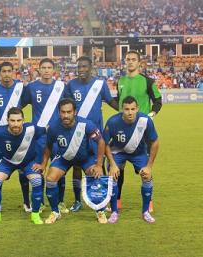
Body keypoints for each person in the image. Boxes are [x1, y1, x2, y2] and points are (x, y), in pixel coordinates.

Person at [65, 56, 118, 212]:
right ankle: (77, 201)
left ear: (91, 67)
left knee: (97, 166)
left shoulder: (100, 84)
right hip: (76, 134)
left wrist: (125, 111)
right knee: (76, 167)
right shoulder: (71, 85)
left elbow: (110, 101)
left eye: (84, 66)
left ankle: (100, 200)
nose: (81, 69)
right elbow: (65, 107)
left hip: (95, 135)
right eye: (79, 66)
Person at [42, 98, 107, 224]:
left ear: (75, 112)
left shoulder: (86, 124)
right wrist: (43, 163)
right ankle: (55, 212)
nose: (66, 115)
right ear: (59, 112)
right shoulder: (54, 127)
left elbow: (101, 142)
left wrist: (99, 165)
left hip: (85, 158)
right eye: (63, 112)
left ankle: (100, 211)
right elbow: (48, 145)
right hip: (64, 158)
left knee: (97, 175)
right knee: (50, 178)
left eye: (69, 112)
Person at [117, 50, 162, 211]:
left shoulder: (148, 81)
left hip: (141, 132)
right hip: (121, 131)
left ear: (139, 62)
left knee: (143, 168)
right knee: (117, 166)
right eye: (127, 59)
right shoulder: (120, 81)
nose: (130, 62)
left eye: (133, 59)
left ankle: (148, 201)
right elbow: (119, 101)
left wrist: (151, 114)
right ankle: (117, 200)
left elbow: (158, 100)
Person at [0, 107, 46, 225]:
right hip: (7, 162)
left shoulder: (31, 128)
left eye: (18, 120)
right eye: (12, 120)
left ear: (23, 120)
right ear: (7, 120)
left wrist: (42, 162)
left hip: (28, 162)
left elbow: (48, 132)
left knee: (37, 180)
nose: (16, 124)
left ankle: (35, 215)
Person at [22, 58, 68, 213]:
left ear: (53, 70)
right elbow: (19, 104)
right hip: (39, 136)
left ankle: (60, 202)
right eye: (43, 67)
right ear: (39, 70)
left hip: (57, 135)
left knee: (59, 170)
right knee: (38, 169)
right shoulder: (32, 87)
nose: (46, 70)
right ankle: (39, 202)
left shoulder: (61, 87)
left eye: (49, 67)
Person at [0, 62, 31, 212]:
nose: (6, 74)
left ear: (14, 72)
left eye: (9, 71)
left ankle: (27, 202)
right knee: (0, 170)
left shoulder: (20, 87)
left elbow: (23, 104)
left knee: (23, 169)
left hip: (18, 136)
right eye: (3, 71)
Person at [103, 96, 159, 223]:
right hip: (117, 152)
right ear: (121, 109)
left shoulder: (145, 120)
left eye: (133, 109)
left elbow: (155, 142)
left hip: (138, 153)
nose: (130, 112)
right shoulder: (112, 122)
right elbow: (104, 143)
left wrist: (149, 166)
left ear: (137, 108)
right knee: (113, 177)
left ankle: (145, 212)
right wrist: (112, 164)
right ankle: (114, 212)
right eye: (126, 109)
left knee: (147, 176)